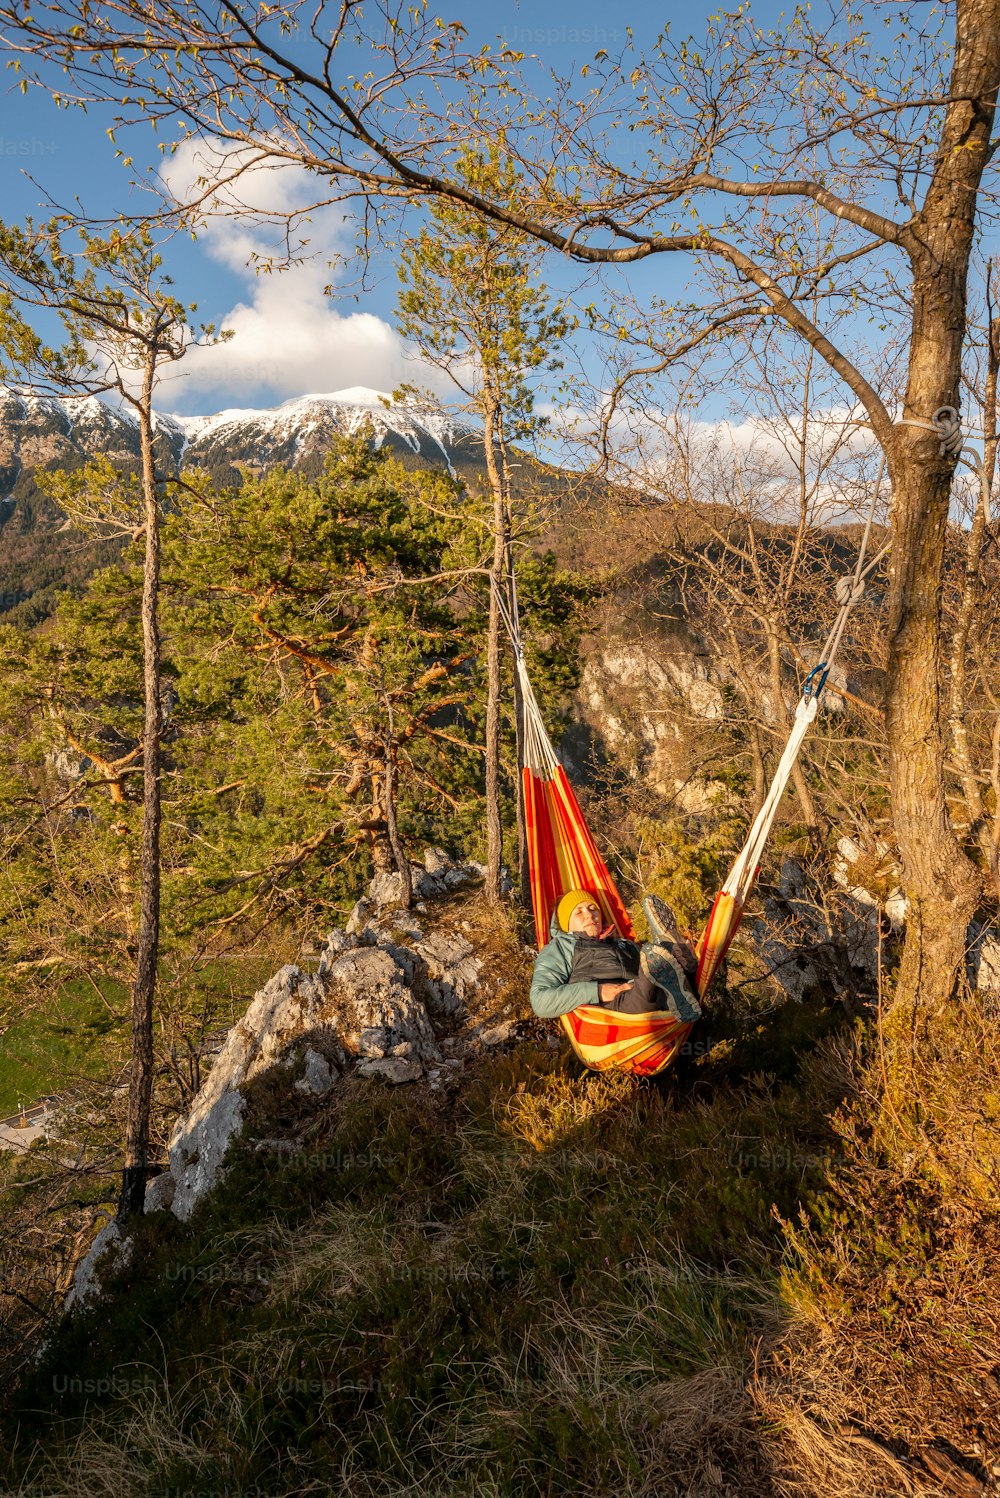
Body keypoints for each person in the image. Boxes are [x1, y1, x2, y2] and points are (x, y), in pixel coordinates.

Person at [530, 890, 702, 1024]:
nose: (590, 915)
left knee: (652, 964)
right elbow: (540, 1001)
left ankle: (677, 965)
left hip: (647, 994)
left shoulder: (622, 943)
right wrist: (599, 991)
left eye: (593, 908)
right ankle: (666, 950)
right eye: (579, 912)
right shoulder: (560, 947)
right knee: (643, 989)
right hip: (612, 1012)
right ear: (566, 924)